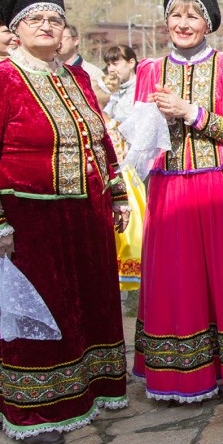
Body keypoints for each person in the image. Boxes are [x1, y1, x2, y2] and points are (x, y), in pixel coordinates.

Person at [0, 0, 128, 444]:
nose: (47, 28)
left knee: (86, 305)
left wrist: (116, 195)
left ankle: (84, 393)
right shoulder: (2, 79)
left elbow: (101, 141)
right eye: (36, 20)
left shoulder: (77, 77)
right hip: (30, 221)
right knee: (37, 316)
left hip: (85, 215)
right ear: (15, 30)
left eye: (55, 20)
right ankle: (35, 411)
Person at [132, 0, 223, 404]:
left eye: (192, 17)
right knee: (174, 276)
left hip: (219, 183)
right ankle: (180, 374)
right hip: (168, 184)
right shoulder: (149, 69)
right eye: (176, 16)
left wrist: (191, 113)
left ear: (208, 24)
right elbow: (141, 137)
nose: (183, 24)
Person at [101, 44, 145, 290]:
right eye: (109, 63)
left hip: (138, 161)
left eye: (116, 62)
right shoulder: (116, 92)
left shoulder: (139, 90)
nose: (112, 68)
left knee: (139, 216)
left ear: (131, 62)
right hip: (121, 162)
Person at [58, 23, 111, 107]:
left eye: (63, 38)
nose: (58, 42)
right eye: (56, 37)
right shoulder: (52, 70)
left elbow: (103, 106)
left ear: (75, 41)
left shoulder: (93, 73)